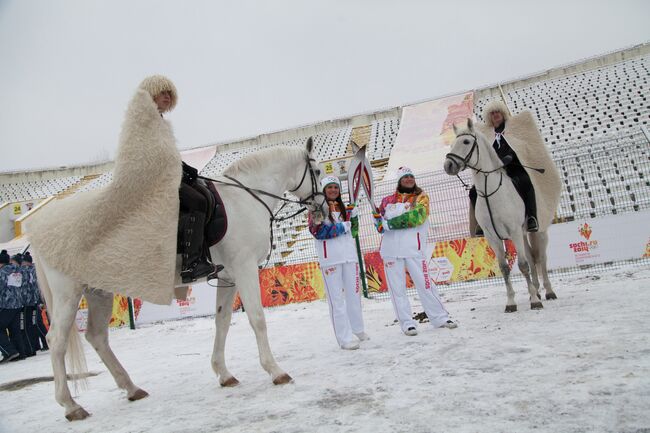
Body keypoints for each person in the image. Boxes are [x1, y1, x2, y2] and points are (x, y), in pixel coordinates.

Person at [138, 75, 221, 283]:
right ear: (151, 95)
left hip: (169, 175)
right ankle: (190, 264)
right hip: (156, 181)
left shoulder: (160, 121)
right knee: (198, 201)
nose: (167, 96)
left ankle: (202, 256)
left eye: (169, 94)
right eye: (162, 93)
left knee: (205, 193)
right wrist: (180, 172)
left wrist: (186, 169)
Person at [374, 167, 457, 336]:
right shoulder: (386, 201)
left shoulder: (421, 197)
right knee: (397, 290)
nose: (409, 179)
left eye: (411, 176)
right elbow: (381, 228)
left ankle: (440, 317)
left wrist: (389, 224)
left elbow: (418, 217)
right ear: (399, 181)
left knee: (426, 285)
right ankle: (407, 323)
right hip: (391, 251)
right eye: (405, 177)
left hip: (414, 249)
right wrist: (377, 221)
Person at [308, 176, 368, 350]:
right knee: (337, 301)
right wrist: (343, 226)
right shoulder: (316, 209)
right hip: (330, 260)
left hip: (349, 257)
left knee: (354, 296)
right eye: (329, 187)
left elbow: (354, 232)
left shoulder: (345, 209)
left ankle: (357, 329)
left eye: (336, 187)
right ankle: (344, 338)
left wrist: (354, 219)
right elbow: (318, 231)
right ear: (324, 190)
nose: (333, 190)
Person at [469, 101, 539, 236]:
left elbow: (519, 146)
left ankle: (531, 217)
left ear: (503, 113)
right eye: (492, 113)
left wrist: (509, 157)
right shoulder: (488, 135)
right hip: (495, 173)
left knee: (526, 182)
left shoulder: (512, 129)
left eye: (498, 112)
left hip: (514, 169)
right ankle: (481, 223)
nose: (496, 115)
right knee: (473, 191)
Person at [0, 250, 27, 362]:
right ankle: (20, 352)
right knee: (14, 329)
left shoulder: (2, 272)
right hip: (18, 303)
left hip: (6, 305)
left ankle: (9, 351)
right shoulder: (18, 270)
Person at [20, 252, 44, 353]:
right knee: (33, 324)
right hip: (33, 300)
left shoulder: (31, 270)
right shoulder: (33, 270)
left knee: (36, 323)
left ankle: (45, 342)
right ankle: (37, 344)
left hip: (34, 301)